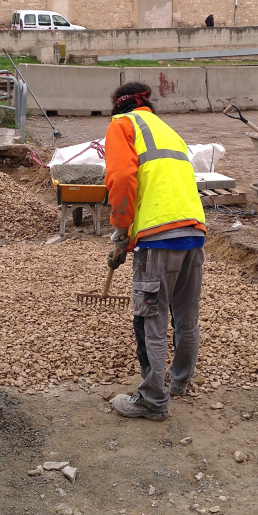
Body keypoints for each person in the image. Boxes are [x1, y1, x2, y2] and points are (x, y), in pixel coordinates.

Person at [104, 82, 207, 421]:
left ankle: (152, 400)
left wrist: (122, 230)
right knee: (186, 317)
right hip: (193, 231)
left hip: (158, 237)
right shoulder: (167, 130)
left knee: (152, 318)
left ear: (118, 107)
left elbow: (120, 179)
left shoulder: (122, 125)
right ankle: (179, 383)